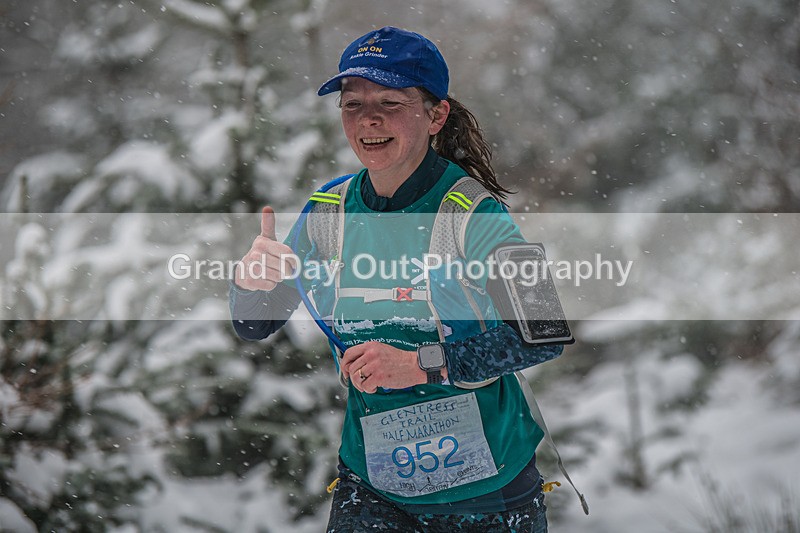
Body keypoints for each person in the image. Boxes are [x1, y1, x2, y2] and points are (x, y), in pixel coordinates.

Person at [230, 26, 568, 533]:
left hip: (486, 494)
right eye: (352, 104)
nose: (369, 118)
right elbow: (255, 325)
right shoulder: (328, 211)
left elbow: (546, 332)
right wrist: (250, 284)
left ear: (436, 116)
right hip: (372, 488)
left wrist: (422, 364)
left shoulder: (474, 213)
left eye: (390, 101)